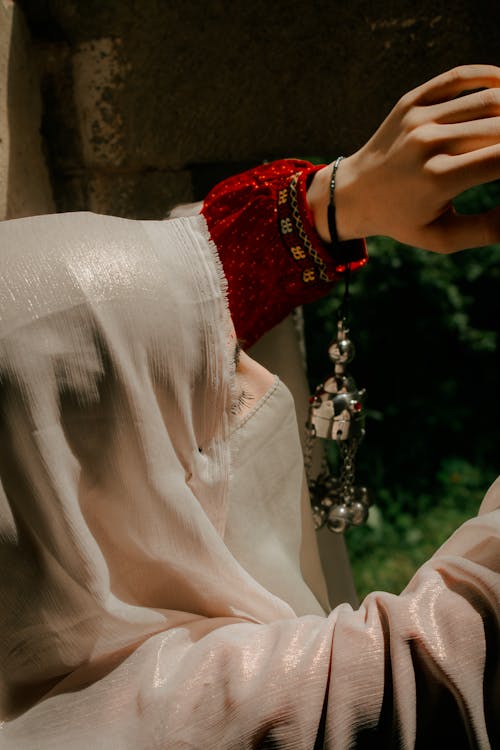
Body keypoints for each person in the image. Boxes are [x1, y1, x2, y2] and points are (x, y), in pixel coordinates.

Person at [0, 65, 499, 748]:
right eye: (210, 379)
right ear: (86, 482)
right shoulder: (202, 720)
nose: (258, 371)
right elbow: (454, 652)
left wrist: (334, 203)